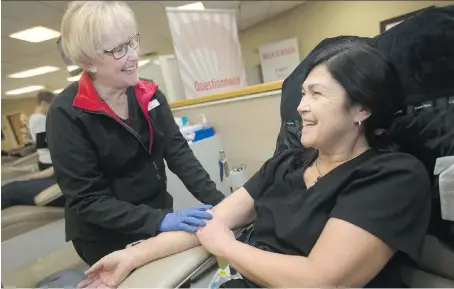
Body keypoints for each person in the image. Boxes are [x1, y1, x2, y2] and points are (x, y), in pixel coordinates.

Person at [78, 42, 432, 288]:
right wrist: (131, 256)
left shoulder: (393, 176)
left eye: (317, 94)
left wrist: (227, 247)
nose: (301, 106)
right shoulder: (287, 164)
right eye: (303, 93)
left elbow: (321, 280)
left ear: (362, 109)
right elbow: (213, 221)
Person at [46, 1, 225, 266]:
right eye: (119, 49)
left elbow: (177, 152)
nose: (133, 55)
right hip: (105, 235)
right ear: (89, 62)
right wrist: (158, 221)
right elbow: (88, 199)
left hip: (156, 210)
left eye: (132, 42)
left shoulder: (149, 95)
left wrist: (221, 204)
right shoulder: (67, 114)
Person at [1, 91, 60, 210]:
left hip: (50, 161)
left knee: (11, 189)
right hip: (50, 160)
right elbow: (43, 143)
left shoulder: (35, 118)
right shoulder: (40, 119)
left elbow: (41, 143)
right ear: (43, 104)